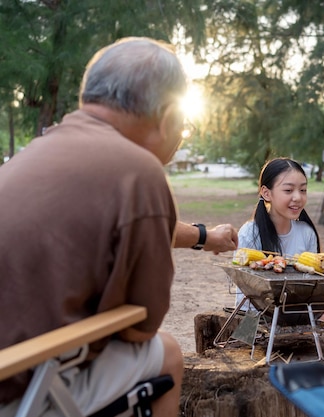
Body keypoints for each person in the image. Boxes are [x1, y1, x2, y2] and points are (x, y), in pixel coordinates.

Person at [0, 37, 193, 416]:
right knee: (168, 353)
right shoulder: (140, 172)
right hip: (18, 387)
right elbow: (141, 329)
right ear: (169, 117)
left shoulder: (38, 150)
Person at [235, 157, 324, 337]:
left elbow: (313, 288)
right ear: (266, 193)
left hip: (302, 310)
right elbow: (245, 296)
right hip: (259, 315)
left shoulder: (306, 232)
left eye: (303, 190)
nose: (298, 197)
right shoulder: (250, 233)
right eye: (288, 190)